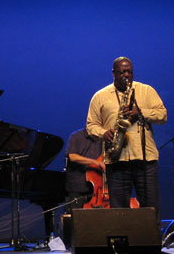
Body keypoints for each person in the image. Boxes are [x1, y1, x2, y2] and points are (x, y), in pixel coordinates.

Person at [86, 57, 167, 217]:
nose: (127, 75)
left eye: (130, 71)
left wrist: (141, 112)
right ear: (113, 73)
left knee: (151, 209)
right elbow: (91, 125)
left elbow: (162, 115)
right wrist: (104, 133)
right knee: (119, 212)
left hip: (145, 159)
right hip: (117, 159)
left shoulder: (146, 91)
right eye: (122, 72)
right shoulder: (100, 96)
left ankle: (151, 241)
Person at [64, 128, 106, 212]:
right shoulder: (76, 136)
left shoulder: (103, 138)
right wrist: (96, 162)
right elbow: (72, 156)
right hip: (78, 187)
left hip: (98, 189)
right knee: (76, 220)